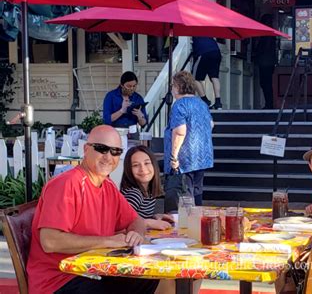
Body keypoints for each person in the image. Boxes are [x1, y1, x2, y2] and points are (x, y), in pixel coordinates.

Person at [27, 125, 158, 294]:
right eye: (101, 149)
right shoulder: (67, 184)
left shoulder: (108, 185)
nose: (108, 157)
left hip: (93, 273)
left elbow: (136, 220)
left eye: (115, 151)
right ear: (86, 149)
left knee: (149, 279)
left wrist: (136, 235)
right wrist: (109, 241)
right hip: (60, 280)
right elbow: (50, 241)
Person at [164, 71, 214, 212]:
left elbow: (180, 131)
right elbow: (211, 125)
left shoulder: (179, 105)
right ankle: (198, 223)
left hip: (185, 158)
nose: (172, 89)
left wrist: (174, 157)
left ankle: (185, 226)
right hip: (202, 156)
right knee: (197, 193)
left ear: (179, 86)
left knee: (184, 195)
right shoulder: (201, 104)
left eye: (173, 86)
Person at [121, 146, 174, 229]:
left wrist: (154, 217)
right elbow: (121, 225)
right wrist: (148, 222)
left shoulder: (148, 191)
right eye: (135, 165)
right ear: (128, 170)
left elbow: (136, 217)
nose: (143, 169)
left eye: (147, 163)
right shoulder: (133, 194)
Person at [192, 37, 222, 109]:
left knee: (194, 78)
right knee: (214, 77)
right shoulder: (206, 28)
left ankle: (205, 101)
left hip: (203, 52)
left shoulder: (192, 29)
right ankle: (218, 102)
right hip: (216, 51)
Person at [255, 14, 277, 109]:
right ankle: (269, 103)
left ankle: (269, 104)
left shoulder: (266, 34)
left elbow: (263, 48)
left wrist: (256, 53)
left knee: (265, 83)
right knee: (266, 83)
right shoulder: (271, 33)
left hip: (264, 62)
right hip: (269, 62)